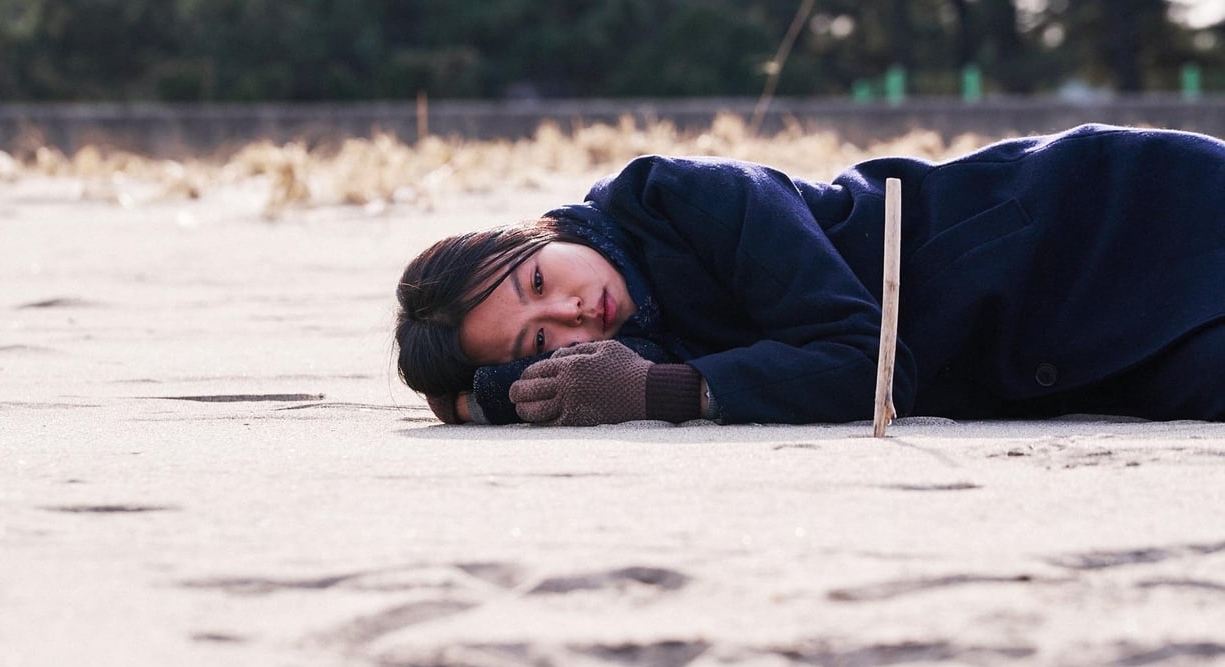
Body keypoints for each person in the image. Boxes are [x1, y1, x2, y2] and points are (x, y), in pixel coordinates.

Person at [395, 123, 1225, 426]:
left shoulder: (684, 197)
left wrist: (660, 393)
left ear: (535, 231)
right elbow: (519, 386)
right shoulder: (630, 340)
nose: (580, 314)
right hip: (1069, 355)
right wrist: (487, 398)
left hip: (1100, 221)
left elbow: (872, 364)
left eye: (539, 281)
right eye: (546, 341)